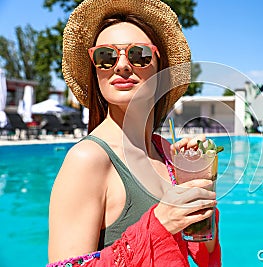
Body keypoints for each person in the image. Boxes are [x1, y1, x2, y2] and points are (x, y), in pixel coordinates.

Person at [47, 0, 221, 266]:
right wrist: (159, 224)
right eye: (106, 56)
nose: (122, 66)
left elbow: (201, 250)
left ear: (160, 68)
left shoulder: (166, 151)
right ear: (96, 70)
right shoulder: (88, 159)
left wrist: (198, 185)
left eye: (139, 54)